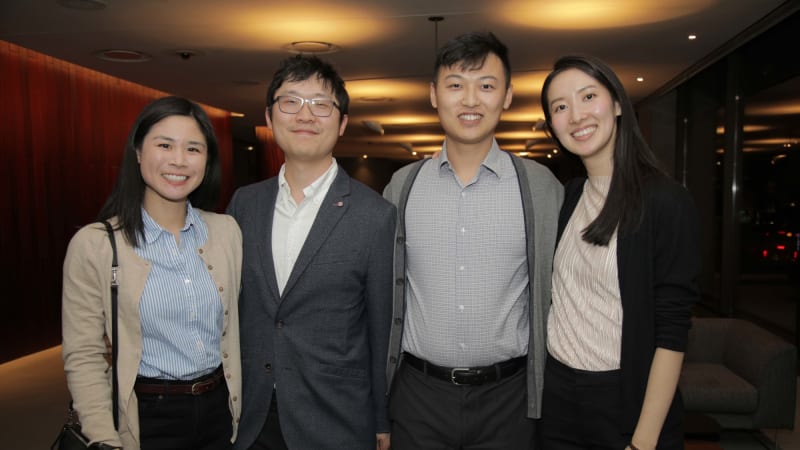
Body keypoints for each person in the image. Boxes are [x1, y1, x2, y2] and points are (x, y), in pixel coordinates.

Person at [382, 31, 564, 449]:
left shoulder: (540, 187)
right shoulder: (402, 187)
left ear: (507, 96)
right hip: (418, 397)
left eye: (486, 85)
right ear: (433, 95)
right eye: (455, 85)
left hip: (511, 400)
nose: (470, 100)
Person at [226, 55, 396, 450]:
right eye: (291, 102)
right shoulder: (244, 204)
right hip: (252, 416)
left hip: (334, 416)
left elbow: (381, 326)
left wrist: (381, 417)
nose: (305, 115)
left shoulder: (375, 215)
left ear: (342, 123)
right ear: (269, 118)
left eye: (321, 104)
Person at [538, 54, 701, 450]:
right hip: (556, 400)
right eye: (560, 107)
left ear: (616, 104)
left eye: (588, 96)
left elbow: (672, 331)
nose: (576, 115)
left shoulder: (665, 200)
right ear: (552, 125)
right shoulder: (569, 196)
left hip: (624, 404)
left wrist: (643, 441)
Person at [61, 96, 243, 450]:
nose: (179, 160)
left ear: (207, 160)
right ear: (138, 152)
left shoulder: (226, 233)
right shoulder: (96, 245)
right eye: (164, 145)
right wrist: (102, 436)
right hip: (146, 418)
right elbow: (84, 354)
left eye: (193, 148)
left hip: (220, 412)